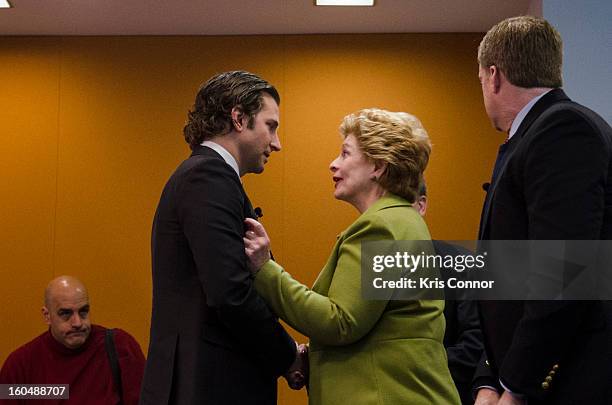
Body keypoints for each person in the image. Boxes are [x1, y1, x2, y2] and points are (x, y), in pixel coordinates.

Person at [244, 108, 460, 405]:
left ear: (378, 166)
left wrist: (265, 269)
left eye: (345, 154)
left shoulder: (380, 227)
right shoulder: (405, 221)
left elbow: (340, 322)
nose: (333, 164)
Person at [474, 16, 612, 405]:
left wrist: (516, 385)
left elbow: (564, 276)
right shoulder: (537, 133)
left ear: (494, 76)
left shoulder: (561, 129)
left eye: (481, 79)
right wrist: (489, 376)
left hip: (570, 380)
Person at [140, 71, 298, 405]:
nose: (277, 143)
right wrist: (289, 357)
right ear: (239, 118)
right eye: (271, 126)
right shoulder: (209, 176)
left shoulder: (205, 176)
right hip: (211, 385)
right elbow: (230, 294)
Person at [0, 275, 145, 405]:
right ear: (47, 316)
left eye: (83, 312)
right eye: (65, 313)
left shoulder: (120, 348)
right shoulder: (20, 366)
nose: (77, 323)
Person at [413, 182, 483, 405]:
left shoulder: (460, 264)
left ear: (421, 206)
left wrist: (407, 368)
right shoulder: (366, 266)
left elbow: (475, 344)